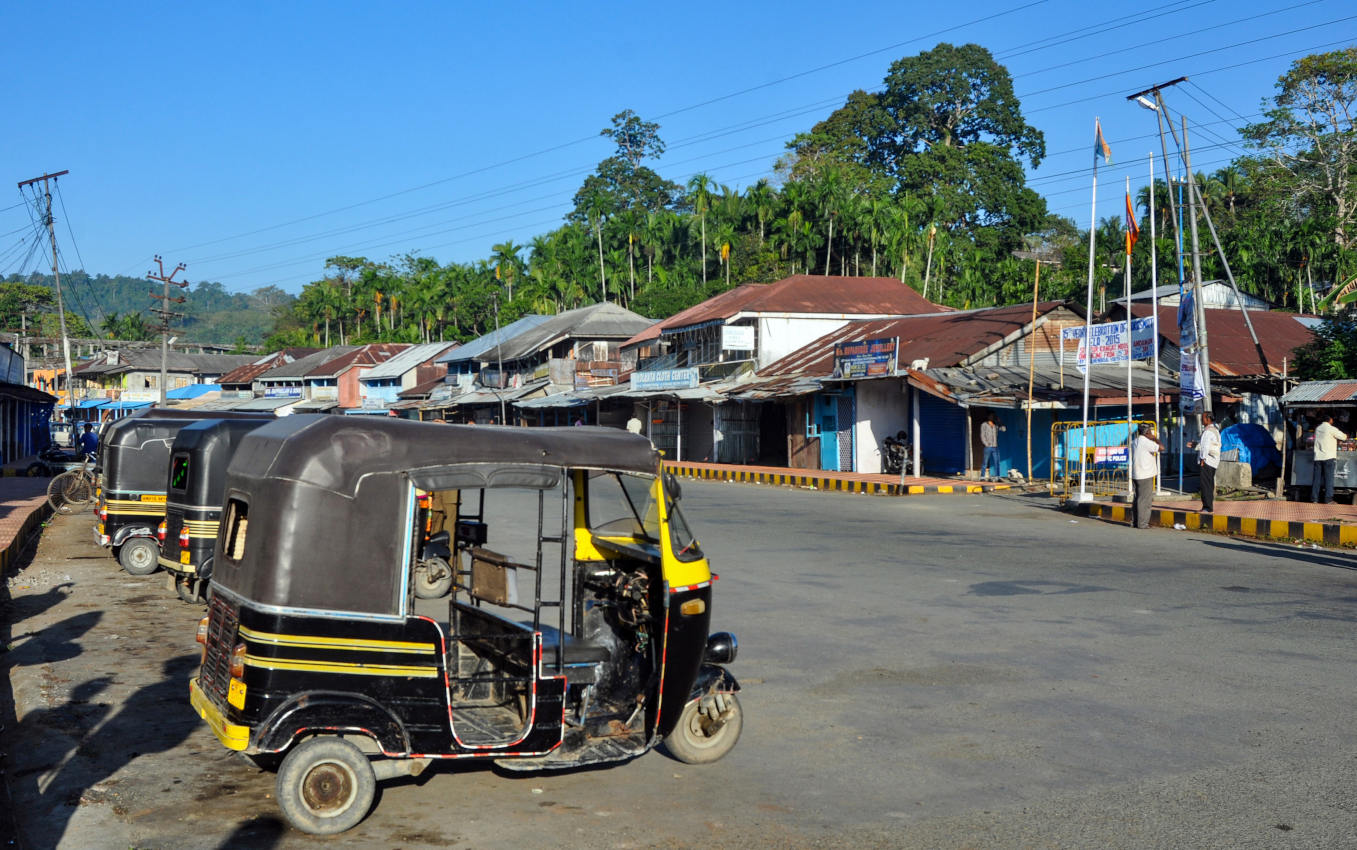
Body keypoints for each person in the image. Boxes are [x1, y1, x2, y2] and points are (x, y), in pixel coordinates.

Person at [1132, 423, 1165, 529]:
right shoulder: (1146, 442)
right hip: (1145, 474)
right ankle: (1142, 524)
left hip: (1136, 473)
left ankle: (1135, 522)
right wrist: (1155, 438)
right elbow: (1161, 448)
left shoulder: (1135, 441)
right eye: (1150, 431)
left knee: (1137, 499)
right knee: (1144, 500)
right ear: (1147, 432)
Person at [1311, 413, 1348, 504]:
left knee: (1316, 479)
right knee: (1329, 478)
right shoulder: (1331, 429)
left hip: (1318, 457)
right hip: (1328, 457)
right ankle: (1328, 499)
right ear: (1330, 420)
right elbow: (1343, 437)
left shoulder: (1318, 429)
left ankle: (1314, 499)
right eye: (1332, 419)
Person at [1192, 413, 1221, 512]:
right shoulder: (1216, 430)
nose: (1201, 420)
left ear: (1208, 419)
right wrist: (1195, 445)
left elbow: (1205, 447)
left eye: (1203, 418)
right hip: (1214, 461)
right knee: (1209, 484)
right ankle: (1209, 506)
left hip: (1207, 461)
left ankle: (1207, 507)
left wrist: (1202, 460)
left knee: (1205, 485)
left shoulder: (1207, 432)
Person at [980, 413, 1005, 480]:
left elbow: (1004, 429)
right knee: (985, 462)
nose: (992, 417)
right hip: (988, 447)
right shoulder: (984, 425)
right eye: (991, 416)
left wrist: (1000, 422)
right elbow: (982, 435)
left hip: (995, 446)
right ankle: (982, 477)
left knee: (997, 462)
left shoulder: (996, 425)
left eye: (993, 416)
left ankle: (997, 477)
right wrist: (986, 444)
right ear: (988, 417)